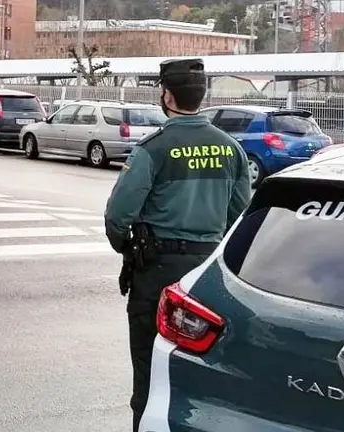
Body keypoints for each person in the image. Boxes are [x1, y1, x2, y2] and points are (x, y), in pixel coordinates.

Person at [103, 58, 252, 432]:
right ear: (201, 96)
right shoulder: (230, 149)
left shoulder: (153, 149)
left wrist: (128, 249)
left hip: (157, 274)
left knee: (151, 371)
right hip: (208, 280)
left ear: (166, 95)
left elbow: (118, 216)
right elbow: (242, 218)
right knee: (206, 373)